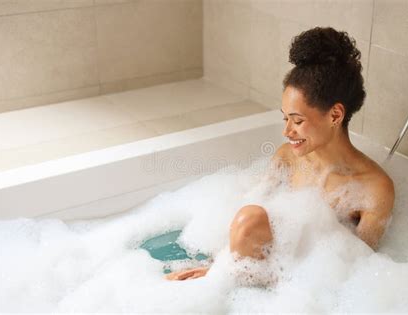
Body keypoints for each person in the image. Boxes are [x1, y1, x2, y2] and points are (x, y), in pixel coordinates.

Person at [166, 27, 394, 281]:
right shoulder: (288, 157)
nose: (287, 131)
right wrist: (218, 268)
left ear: (335, 115)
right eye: (285, 118)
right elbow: (248, 209)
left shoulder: (374, 189)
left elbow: (356, 271)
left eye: (297, 121)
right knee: (248, 217)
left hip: (307, 286)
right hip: (267, 276)